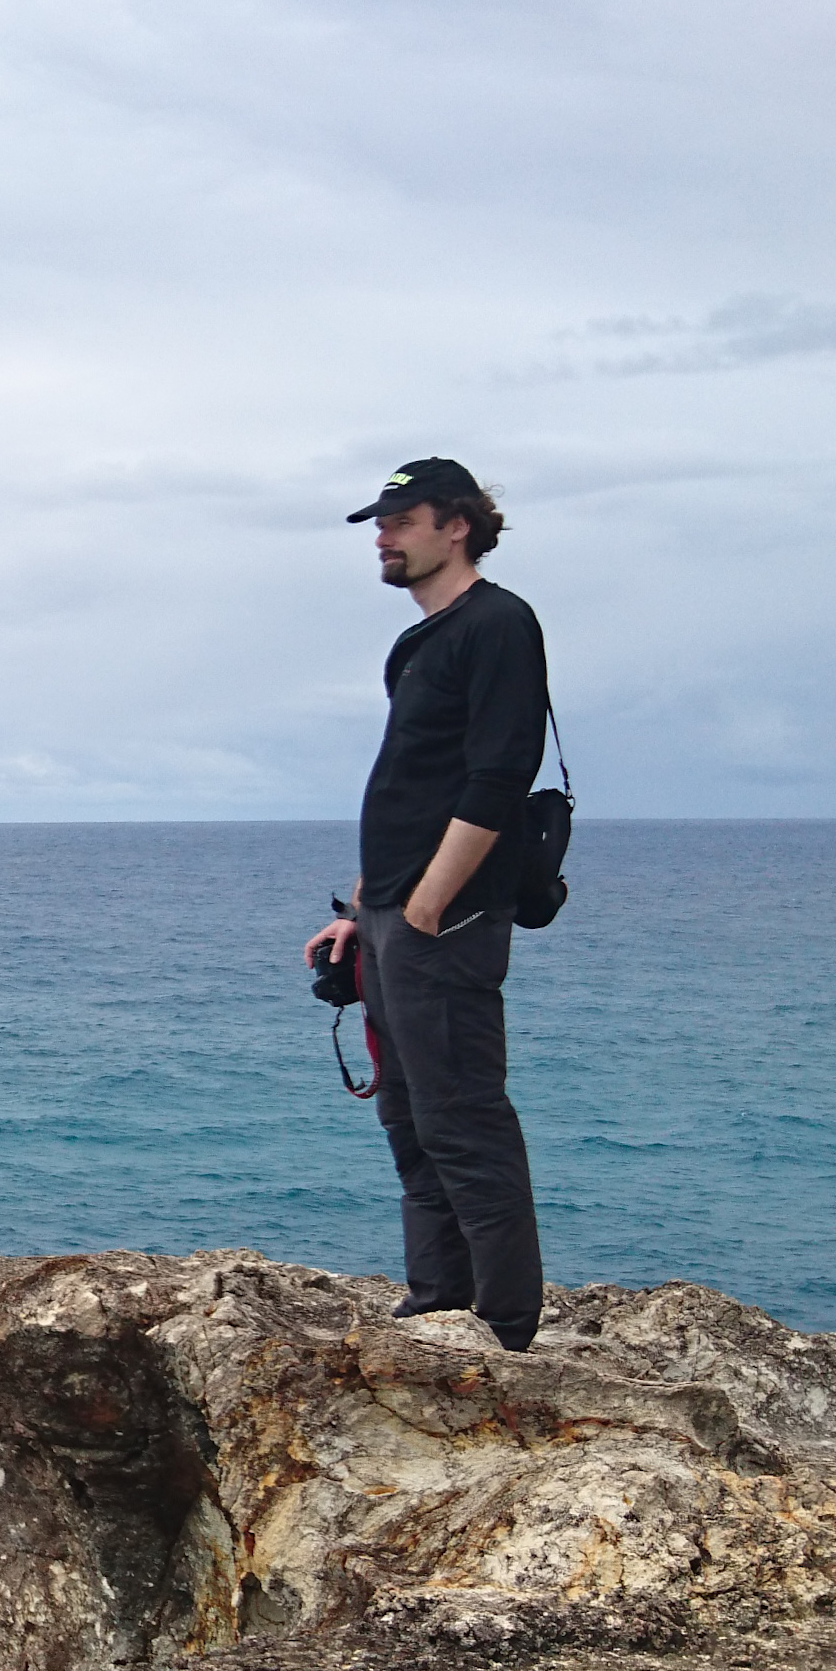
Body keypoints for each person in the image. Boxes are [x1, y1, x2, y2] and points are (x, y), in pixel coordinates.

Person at [300, 457, 549, 1350]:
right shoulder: (421, 640)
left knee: (464, 1119)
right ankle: (439, 1298)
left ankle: (506, 1325)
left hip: (445, 920)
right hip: (393, 915)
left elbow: (498, 775)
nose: (384, 535)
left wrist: (427, 906)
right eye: (381, 521)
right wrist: (363, 908)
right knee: (407, 1117)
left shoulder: (498, 624)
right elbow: (412, 786)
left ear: (458, 525)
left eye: (402, 519)